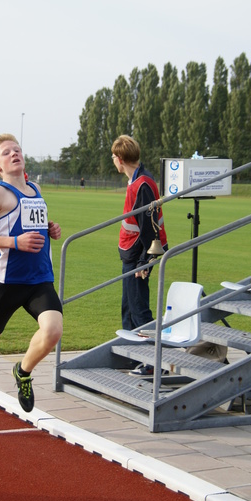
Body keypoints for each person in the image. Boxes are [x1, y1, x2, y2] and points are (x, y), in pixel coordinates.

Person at [0, 133, 63, 422]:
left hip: (40, 279)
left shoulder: (35, 188)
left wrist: (50, 228)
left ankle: (23, 371)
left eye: (17, 149)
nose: (15, 154)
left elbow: (34, 228)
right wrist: (15, 243)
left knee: (53, 331)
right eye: (7, 152)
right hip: (8, 282)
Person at [111, 135, 168, 375]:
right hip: (132, 254)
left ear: (120, 159)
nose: (113, 161)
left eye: (114, 157)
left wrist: (147, 259)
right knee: (128, 307)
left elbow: (149, 225)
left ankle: (153, 363)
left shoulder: (142, 184)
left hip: (139, 255)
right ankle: (133, 357)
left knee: (139, 309)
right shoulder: (137, 180)